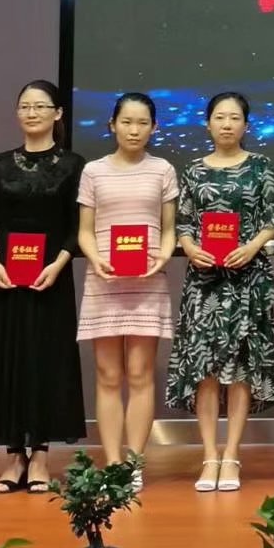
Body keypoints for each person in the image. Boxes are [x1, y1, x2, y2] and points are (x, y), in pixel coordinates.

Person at [0, 80, 87, 494]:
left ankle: (40, 456)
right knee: (7, 361)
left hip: (51, 277)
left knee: (46, 362)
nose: (31, 113)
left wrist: (58, 264)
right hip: (4, 278)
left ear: (58, 113)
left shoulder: (73, 164)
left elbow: (77, 227)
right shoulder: (0, 163)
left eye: (40, 106)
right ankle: (13, 455)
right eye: (24, 106)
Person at [166, 92, 274, 493]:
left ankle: (232, 454)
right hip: (204, 283)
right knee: (206, 370)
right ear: (208, 124)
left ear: (246, 125)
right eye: (220, 117)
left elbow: (273, 219)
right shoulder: (193, 170)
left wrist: (252, 246)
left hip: (247, 281)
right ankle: (209, 456)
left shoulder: (261, 166)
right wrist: (189, 247)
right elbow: (183, 222)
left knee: (240, 370)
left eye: (235, 118)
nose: (227, 124)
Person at [76, 92, 177, 491]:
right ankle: (113, 463)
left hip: (147, 282)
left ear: (154, 128)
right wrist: (96, 258)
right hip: (104, 281)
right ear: (112, 125)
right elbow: (85, 231)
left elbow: (169, 229)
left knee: (139, 374)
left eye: (142, 123)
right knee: (107, 375)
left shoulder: (163, 169)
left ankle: (134, 464)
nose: (134, 130)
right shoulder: (93, 171)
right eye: (127, 122)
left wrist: (163, 256)